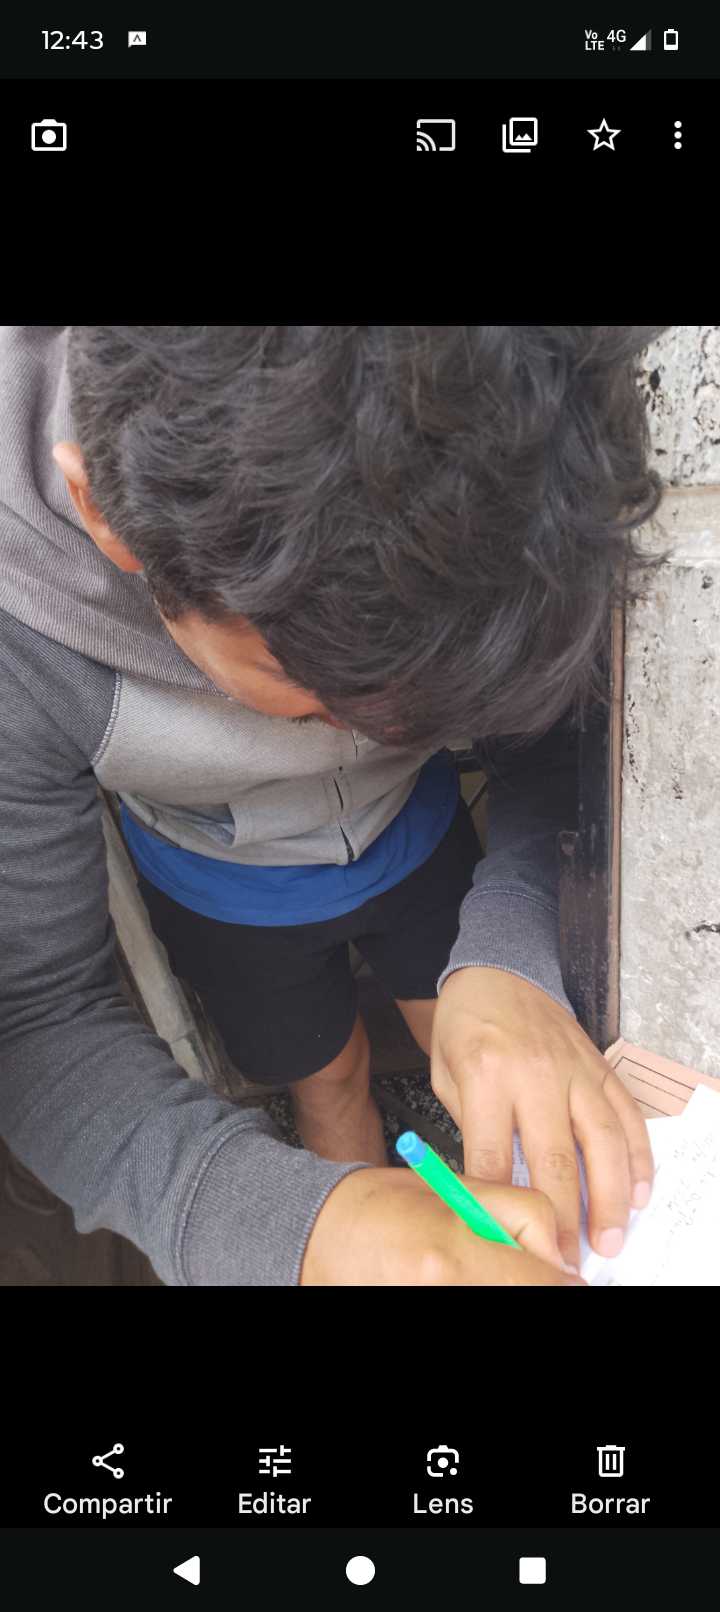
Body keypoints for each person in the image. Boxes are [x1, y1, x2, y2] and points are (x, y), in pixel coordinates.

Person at [0, 325, 664, 1286]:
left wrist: (513, 949)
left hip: (420, 844)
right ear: (104, 515)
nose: (379, 734)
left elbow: (551, 739)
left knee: (478, 1051)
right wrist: (308, 1231)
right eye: (316, 699)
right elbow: (37, 1018)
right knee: (322, 1074)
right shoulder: (22, 642)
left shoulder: (542, 446)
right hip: (226, 898)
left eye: (441, 713)